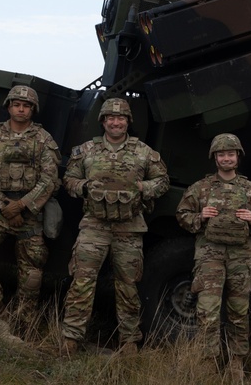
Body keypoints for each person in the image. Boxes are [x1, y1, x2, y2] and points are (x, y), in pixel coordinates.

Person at [60, 98, 169, 356]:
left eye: (121, 118)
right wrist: (83, 187)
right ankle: (71, 337)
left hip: (129, 228)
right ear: (103, 121)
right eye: (110, 117)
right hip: (94, 226)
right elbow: (69, 179)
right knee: (82, 282)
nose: (116, 122)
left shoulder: (143, 152)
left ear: (128, 122)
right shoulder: (86, 150)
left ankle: (130, 341)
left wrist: (145, 188)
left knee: (128, 285)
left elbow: (162, 180)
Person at [175, 134, 251, 377]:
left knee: (239, 311)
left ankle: (236, 362)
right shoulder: (201, 188)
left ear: (237, 157)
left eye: (230, 154)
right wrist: (201, 217)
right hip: (210, 257)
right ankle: (209, 360)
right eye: (221, 154)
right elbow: (182, 215)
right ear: (214, 158)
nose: (226, 158)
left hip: (241, 258)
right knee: (207, 311)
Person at [0, 85, 61, 325]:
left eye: (26, 105)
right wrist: (3, 206)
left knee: (32, 271)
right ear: (9, 107)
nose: (21, 109)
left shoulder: (43, 139)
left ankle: (23, 320)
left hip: (29, 211)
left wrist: (22, 206)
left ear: (33, 109)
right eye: (17, 104)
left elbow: (49, 179)